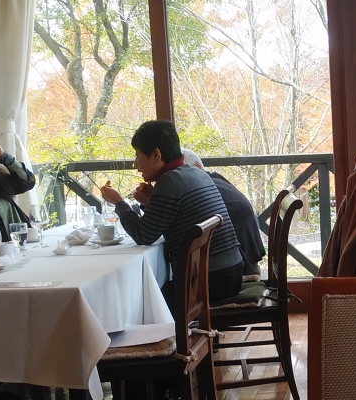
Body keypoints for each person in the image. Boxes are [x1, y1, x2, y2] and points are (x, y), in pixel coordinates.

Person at [99, 120, 244, 304]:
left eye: (138, 156)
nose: (136, 165)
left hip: (208, 282)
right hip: (231, 273)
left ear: (156, 155)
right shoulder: (196, 173)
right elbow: (173, 218)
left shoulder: (169, 182)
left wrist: (119, 203)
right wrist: (150, 201)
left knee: (139, 301)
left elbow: (143, 235)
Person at [180, 149, 266, 279]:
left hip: (243, 269)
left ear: (198, 167)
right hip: (250, 259)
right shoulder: (217, 180)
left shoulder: (203, 190)